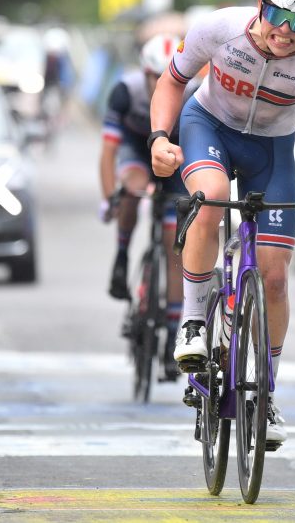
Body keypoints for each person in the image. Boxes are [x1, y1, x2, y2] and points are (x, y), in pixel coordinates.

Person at [148, 0, 295, 445]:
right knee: (210, 198)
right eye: (277, 13)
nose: (284, 29)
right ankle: (193, 321)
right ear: (260, 2)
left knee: (276, 279)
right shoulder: (219, 29)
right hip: (207, 125)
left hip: (272, 151)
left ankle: (265, 393)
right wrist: (158, 138)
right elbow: (171, 84)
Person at [98, 34, 189, 380]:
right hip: (138, 150)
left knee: (174, 246)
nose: (160, 84)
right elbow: (108, 154)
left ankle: (171, 340)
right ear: (144, 73)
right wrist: (111, 197)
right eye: (154, 77)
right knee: (132, 191)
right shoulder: (125, 92)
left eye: (167, 77)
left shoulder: (193, 92)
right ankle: (121, 256)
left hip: (176, 156)